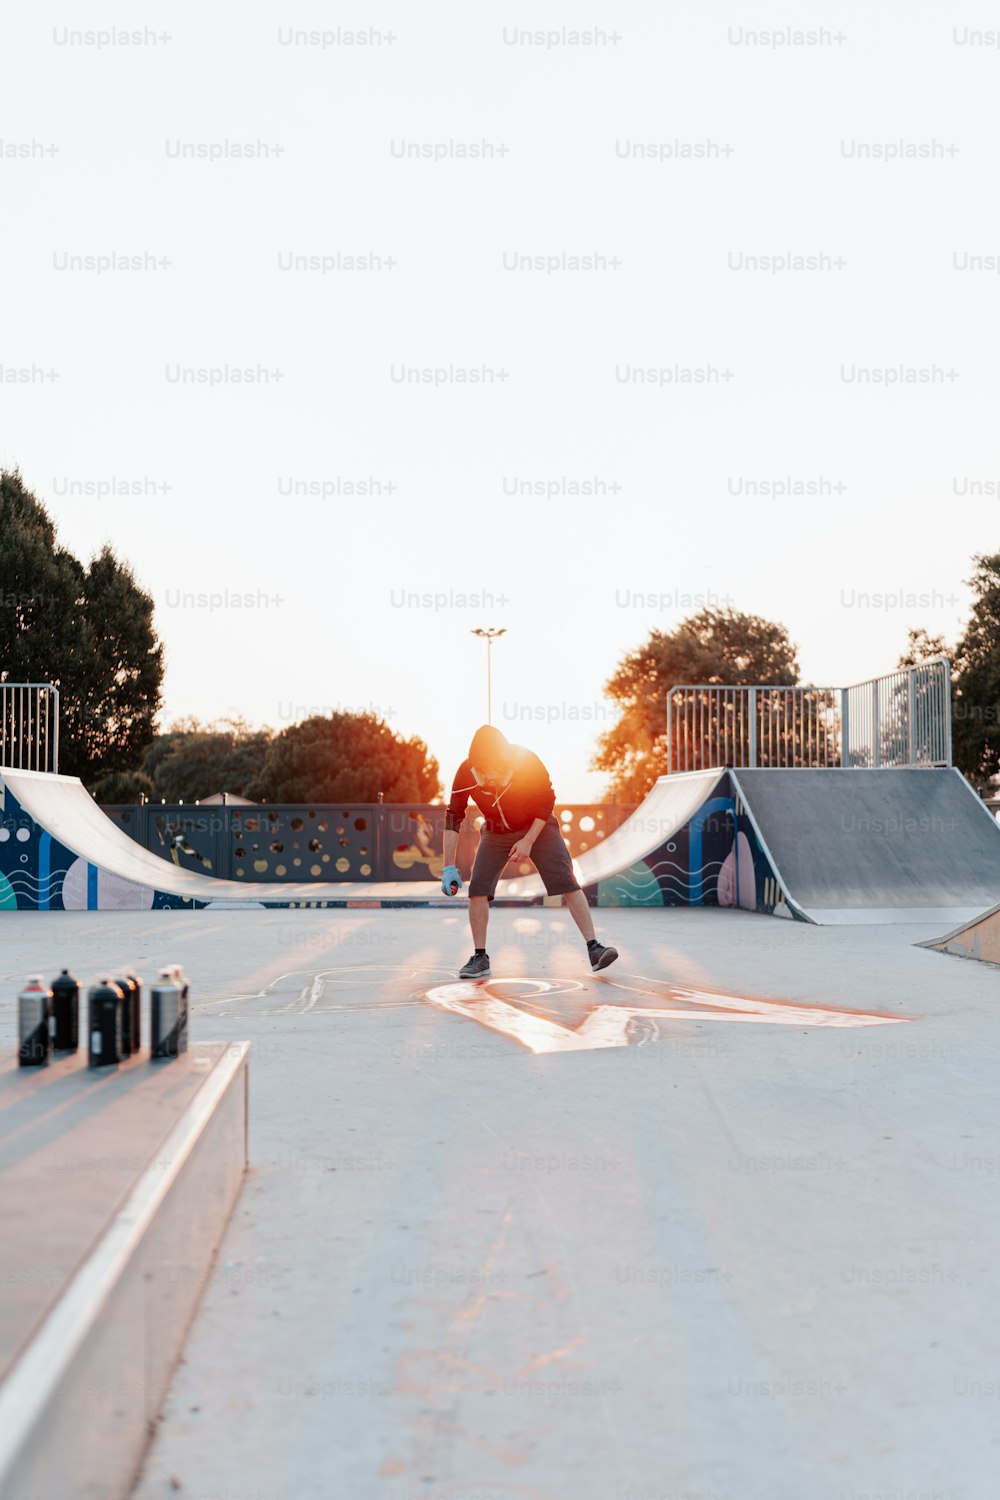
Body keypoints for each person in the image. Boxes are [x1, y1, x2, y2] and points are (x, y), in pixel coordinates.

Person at [441, 724, 618, 978]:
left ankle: (594, 948)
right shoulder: (466, 771)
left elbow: (545, 802)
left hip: (538, 826)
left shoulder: (526, 761)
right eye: (481, 771)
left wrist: (528, 841)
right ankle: (480, 957)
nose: (487, 777)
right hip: (495, 831)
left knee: (567, 883)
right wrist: (448, 865)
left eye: (491, 771)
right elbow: (453, 815)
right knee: (478, 890)